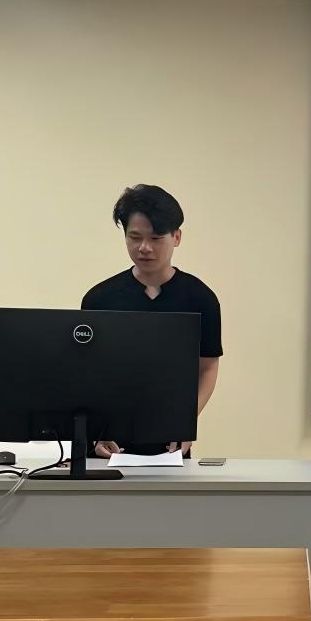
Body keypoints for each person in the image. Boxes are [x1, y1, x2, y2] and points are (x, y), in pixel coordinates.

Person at [81, 184, 222, 457]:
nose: (144, 248)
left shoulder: (200, 298)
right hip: (107, 444)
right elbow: (86, 373)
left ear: (177, 237)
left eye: (156, 238)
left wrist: (185, 422)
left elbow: (207, 367)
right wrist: (96, 431)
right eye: (134, 237)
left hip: (170, 442)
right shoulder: (99, 299)